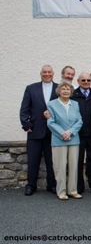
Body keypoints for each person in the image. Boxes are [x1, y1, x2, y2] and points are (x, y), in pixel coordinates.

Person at [19, 65, 57, 196]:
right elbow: (24, 109)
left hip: (53, 132)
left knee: (51, 161)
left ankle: (52, 185)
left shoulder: (59, 88)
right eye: (44, 72)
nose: (47, 74)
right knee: (33, 160)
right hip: (35, 131)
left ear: (53, 74)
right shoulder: (31, 88)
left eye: (49, 72)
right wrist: (26, 125)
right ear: (40, 74)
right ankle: (31, 185)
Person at [47, 81, 83, 200]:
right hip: (59, 139)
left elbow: (79, 121)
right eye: (63, 89)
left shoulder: (75, 104)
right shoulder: (52, 104)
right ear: (59, 91)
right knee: (60, 166)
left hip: (73, 138)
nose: (66, 91)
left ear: (71, 91)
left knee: (74, 166)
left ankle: (73, 190)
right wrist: (62, 133)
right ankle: (61, 191)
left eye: (68, 89)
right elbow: (51, 122)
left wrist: (70, 132)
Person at [71, 72, 91, 195]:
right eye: (83, 80)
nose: (86, 82)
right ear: (78, 81)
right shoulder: (73, 96)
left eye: (88, 80)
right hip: (78, 134)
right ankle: (79, 186)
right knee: (77, 161)